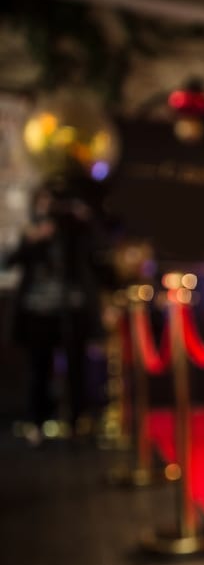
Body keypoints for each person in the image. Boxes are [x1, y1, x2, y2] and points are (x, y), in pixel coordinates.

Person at [3, 180, 105, 443]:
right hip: (37, 311)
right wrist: (33, 241)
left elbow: (98, 251)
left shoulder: (76, 230)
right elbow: (9, 261)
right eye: (45, 200)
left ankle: (76, 422)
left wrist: (83, 219)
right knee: (39, 368)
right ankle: (38, 422)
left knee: (77, 368)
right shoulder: (32, 231)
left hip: (72, 310)